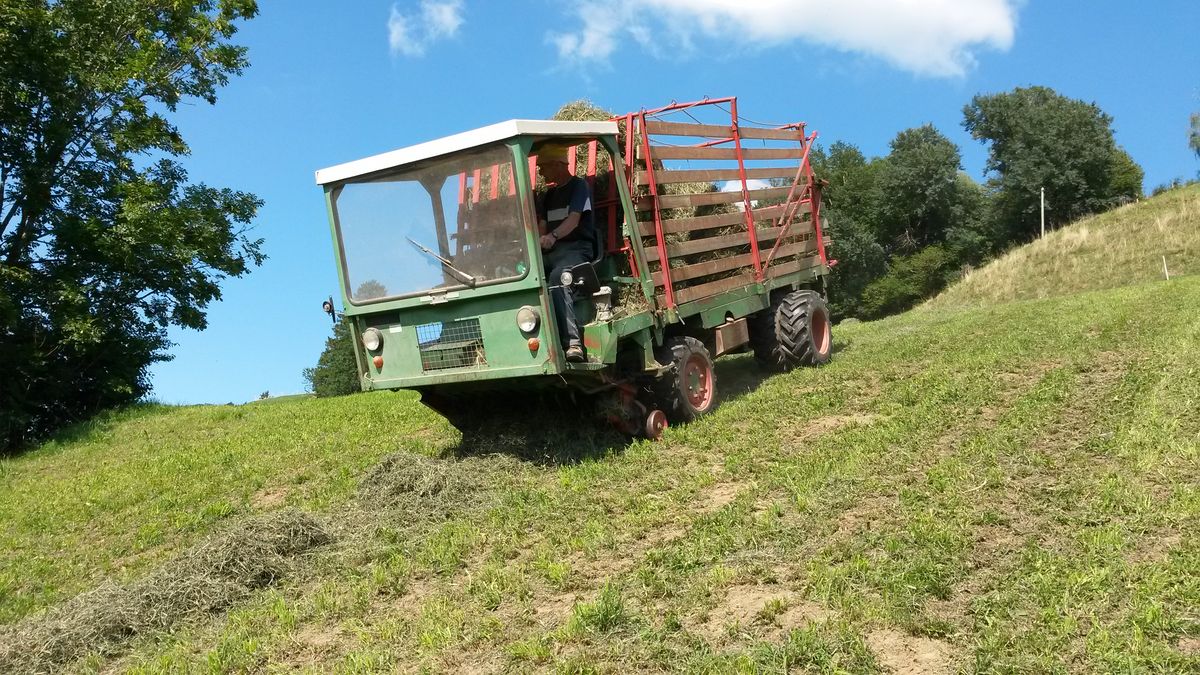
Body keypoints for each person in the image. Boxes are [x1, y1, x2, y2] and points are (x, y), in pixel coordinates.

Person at [535, 143, 595, 363]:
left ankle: (572, 343)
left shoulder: (579, 187)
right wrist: (541, 239)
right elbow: (542, 223)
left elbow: (573, 220)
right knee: (530, 276)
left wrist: (553, 237)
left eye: (543, 167)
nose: (541, 172)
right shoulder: (549, 195)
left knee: (557, 277)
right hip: (553, 250)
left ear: (558, 165)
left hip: (576, 249)